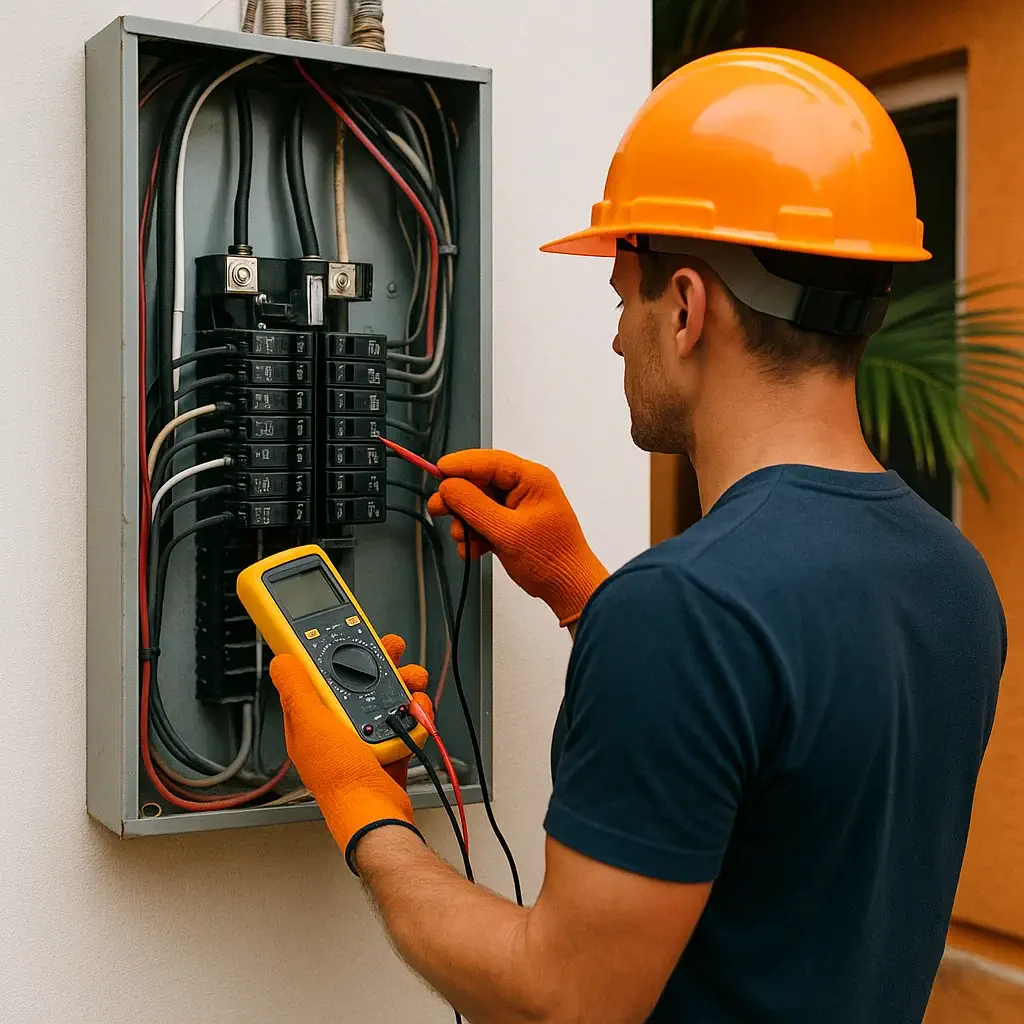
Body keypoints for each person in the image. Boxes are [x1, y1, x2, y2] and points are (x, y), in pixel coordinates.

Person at [269, 48, 1006, 1023]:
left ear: (688, 307)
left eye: (624, 296)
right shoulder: (953, 578)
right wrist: (582, 590)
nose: (619, 335)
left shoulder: (682, 612)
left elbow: (561, 996)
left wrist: (365, 812)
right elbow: (779, 781)